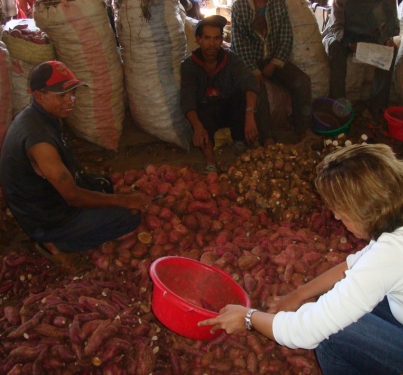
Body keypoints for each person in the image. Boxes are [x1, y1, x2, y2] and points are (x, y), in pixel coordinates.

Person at [199, 143, 403, 375]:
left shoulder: (392, 255)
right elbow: (357, 264)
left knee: (333, 337)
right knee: (340, 304)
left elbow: (304, 333)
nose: (334, 215)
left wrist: (248, 318)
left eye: (339, 210)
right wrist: (298, 295)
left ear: (361, 211)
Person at [0, 61, 151, 265]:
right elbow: (72, 196)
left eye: (73, 93)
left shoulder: (38, 116)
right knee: (128, 218)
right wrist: (124, 200)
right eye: (61, 95)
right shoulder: (39, 141)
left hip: (41, 199)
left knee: (104, 185)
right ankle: (57, 244)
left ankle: (59, 235)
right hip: (44, 217)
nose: (70, 100)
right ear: (39, 95)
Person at [181, 15, 274, 173]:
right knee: (201, 116)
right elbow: (187, 99)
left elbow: (249, 82)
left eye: (217, 38)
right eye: (207, 38)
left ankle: (241, 142)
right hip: (207, 112)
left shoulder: (230, 58)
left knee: (244, 96)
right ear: (198, 39)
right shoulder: (190, 65)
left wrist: (250, 116)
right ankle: (210, 159)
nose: (212, 44)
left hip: (230, 109)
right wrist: (197, 127)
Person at [230, 0, 314, 140]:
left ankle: (303, 129)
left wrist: (274, 63)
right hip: (249, 61)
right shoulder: (239, 5)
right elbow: (239, 44)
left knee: (303, 81)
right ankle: (266, 137)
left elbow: (286, 38)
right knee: (257, 89)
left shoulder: (278, 4)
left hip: (273, 59)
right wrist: (254, 70)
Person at [321, 0, 399, 122]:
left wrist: (386, 40)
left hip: (369, 38)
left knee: (391, 50)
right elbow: (337, 26)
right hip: (339, 35)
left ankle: (377, 105)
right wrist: (349, 42)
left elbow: (386, 27)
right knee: (336, 48)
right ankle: (339, 104)